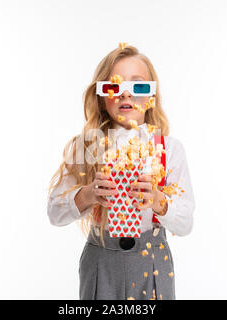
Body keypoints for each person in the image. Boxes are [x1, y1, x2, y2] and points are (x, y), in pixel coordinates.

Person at [47, 43, 195, 300]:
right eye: (115, 86)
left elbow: (185, 223)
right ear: (102, 97)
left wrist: (159, 201)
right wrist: (88, 194)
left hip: (153, 259)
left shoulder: (169, 149)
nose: (126, 95)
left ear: (151, 98)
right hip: (101, 259)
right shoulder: (86, 146)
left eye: (138, 87)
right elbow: (54, 213)